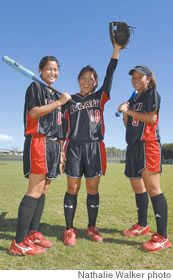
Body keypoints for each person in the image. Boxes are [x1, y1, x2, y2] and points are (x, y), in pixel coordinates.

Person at [9, 56, 72, 256]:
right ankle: (19, 242)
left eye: (56, 69)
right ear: (40, 70)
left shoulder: (55, 95)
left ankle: (33, 233)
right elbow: (34, 113)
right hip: (39, 141)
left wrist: (61, 149)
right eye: (49, 69)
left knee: (44, 190)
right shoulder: (35, 88)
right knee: (34, 190)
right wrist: (60, 101)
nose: (53, 73)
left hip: (53, 145)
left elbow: (60, 126)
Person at [61, 42, 122, 246]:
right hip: (74, 147)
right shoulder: (69, 100)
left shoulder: (100, 97)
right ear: (78, 80)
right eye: (83, 78)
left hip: (95, 147)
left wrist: (116, 50)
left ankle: (91, 227)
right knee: (72, 188)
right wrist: (61, 149)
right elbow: (61, 126)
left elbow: (110, 73)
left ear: (95, 82)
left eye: (91, 78)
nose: (87, 81)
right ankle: (69, 229)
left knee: (92, 190)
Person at [118, 65, 171, 251]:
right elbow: (129, 125)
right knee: (137, 186)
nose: (136, 80)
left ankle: (163, 237)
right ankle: (142, 226)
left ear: (148, 79)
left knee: (153, 189)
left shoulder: (151, 94)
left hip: (148, 145)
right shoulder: (134, 98)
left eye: (140, 77)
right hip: (133, 146)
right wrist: (125, 111)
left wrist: (129, 111)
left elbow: (150, 118)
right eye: (133, 77)